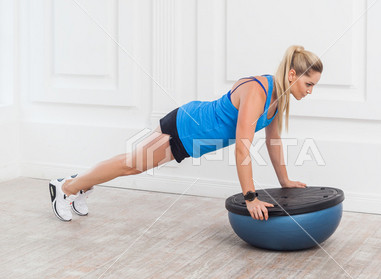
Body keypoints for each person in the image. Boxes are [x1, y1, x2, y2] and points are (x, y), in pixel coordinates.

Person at [49, 45, 323, 222]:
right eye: (308, 84)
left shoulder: (278, 100)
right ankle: (66, 188)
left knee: (132, 164)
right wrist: (250, 197)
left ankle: (77, 183)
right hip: (186, 126)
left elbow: (273, 142)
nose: (310, 91)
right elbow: (243, 148)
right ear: (291, 75)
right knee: (131, 165)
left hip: (193, 138)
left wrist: (285, 180)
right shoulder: (258, 90)